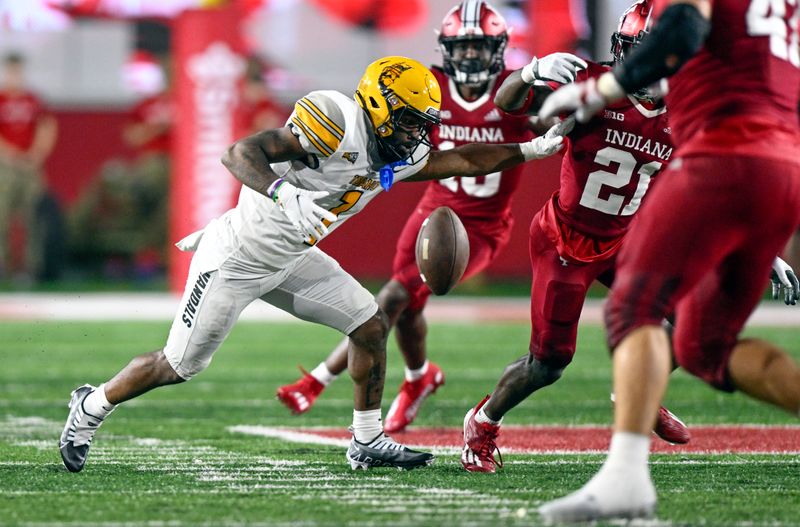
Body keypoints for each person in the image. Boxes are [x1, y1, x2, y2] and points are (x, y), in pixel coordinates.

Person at [59, 55, 568, 473]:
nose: (417, 133)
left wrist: (531, 149)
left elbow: (459, 160)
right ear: (377, 104)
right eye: (410, 119)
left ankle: (367, 440)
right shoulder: (334, 120)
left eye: (422, 123)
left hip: (294, 257)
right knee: (177, 366)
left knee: (370, 324)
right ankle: (90, 406)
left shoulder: (395, 151)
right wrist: (281, 190)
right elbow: (239, 153)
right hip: (238, 258)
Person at [536, 0, 800, 521]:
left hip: (723, 152)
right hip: (785, 166)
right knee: (705, 349)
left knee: (632, 310)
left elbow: (682, 26)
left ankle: (625, 479)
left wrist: (602, 88)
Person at [275, 0, 586, 433]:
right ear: (445, 49)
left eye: (479, 46)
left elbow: (557, 123)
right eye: (462, 47)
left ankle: (320, 378)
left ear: (499, 48)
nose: (471, 56)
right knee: (404, 301)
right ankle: (419, 377)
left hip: (479, 226)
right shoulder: (430, 88)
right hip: (433, 211)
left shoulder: (513, 93)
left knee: (394, 297)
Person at [459, 0, 692, 474]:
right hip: (568, 240)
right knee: (548, 363)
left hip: (626, 237)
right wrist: (530, 74)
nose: (638, 61)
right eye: (632, 49)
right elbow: (507, 105)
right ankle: (481, 423)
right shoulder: (590, 83)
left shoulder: (691, 108)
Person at [0, 52, 57, 281]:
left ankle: (30, 268)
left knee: (33, 215)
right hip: (4, 167)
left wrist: (37, 153)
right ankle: (3, 264)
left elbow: (47, 126)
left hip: (30, 166)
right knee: (2, 214)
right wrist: (9, 153)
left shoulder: (33, 100)